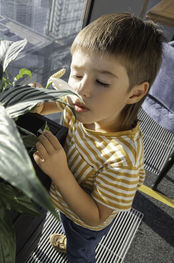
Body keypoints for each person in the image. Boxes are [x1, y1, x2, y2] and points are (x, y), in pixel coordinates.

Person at [31, 13, 164, 263]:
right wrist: (36, 103)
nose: (82, 89)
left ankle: (76, 249)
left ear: (135, 93)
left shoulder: (122, 159)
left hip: (85, 221)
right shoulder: (82, 104)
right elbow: (57, 103)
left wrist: (60, 174)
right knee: (67, 225)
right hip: (65, 198)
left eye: (102, 82)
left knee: (80, 252)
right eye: (77, 74)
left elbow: (97, 216)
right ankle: (70, 239)